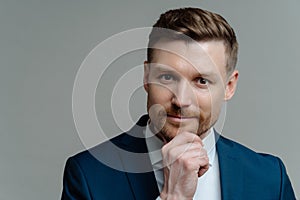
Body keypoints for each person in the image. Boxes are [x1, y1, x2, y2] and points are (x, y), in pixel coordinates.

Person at [61, 7, 296, 200]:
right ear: (146, 77)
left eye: (201, 81)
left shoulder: (270, 179)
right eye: (167, 77)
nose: (181, 100)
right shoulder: (88, 175)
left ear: (229, 86)